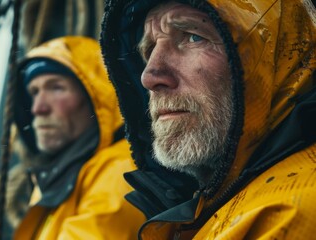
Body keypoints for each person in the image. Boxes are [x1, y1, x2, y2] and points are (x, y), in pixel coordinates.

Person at [100, 0, 316, 239]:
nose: (150, 76)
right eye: (149, 49)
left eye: (193, 37)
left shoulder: (291, 211)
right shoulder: (213, 202)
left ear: (274, 57)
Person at [11, 36, 146, 240]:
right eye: (34, 92)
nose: (38, 108)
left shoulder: (120, 170)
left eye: (56, 88)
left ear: (97, 98)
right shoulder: (65, 174)